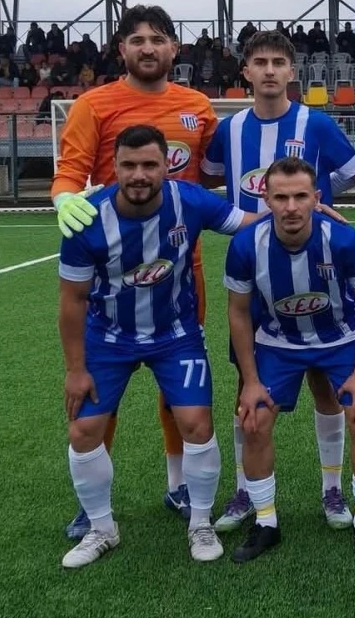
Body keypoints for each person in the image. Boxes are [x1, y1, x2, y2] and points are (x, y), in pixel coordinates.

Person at [201, 29, 355, 533]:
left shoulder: (316, 124)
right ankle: (245, 491)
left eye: (279, 62)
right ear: (246, 72)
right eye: (260, 62)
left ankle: (332, 490)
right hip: (258, 275)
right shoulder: (229, 129)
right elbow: (205, 181)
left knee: (327, 386)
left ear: (291, 71)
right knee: (248, 387)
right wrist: (237, 221)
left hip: (317, 270)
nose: (270, 70)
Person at [52, 5, 219, 540]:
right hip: (112, 277)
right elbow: (69, 174)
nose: (148, 47)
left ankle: (180, 484)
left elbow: (212, 179)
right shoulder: (93, 105)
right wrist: (63, 201)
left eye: (158, 39)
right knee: (102, 391)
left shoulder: (197, 107)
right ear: (121, 48)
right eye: (137, 39)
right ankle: (93, 506)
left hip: (181, 272)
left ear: (174, 49)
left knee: (179, 389)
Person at [57, 124, 255, 569]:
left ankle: (200, 522)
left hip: (175, 334)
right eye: (128, 165)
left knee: (196, 423)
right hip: (108, 337)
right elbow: (71, 301)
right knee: (83, 431)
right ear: (114, 168)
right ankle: (101, 528)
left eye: (149, 164)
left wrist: (307, 212)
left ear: (167, 166)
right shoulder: (88, 218)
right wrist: (75, 369)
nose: (139, 175)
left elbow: (248, 224)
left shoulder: (191, 201)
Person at [225, 157, 355, 565]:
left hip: (339, 338)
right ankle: (266, 521)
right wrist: (250, 381)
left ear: (316, 198)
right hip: (278, 342)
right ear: (266, 200)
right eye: (281, 198)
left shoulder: (343, 240)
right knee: (253, 419)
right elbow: (238, 313)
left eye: (300, 196)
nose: (291, 207)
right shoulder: (246, 245)